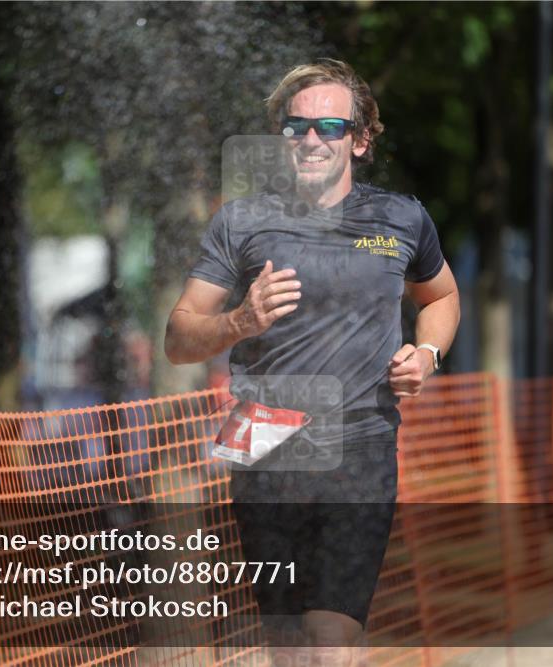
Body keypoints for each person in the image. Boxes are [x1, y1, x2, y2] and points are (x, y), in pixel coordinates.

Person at [165, 58, 460, 665]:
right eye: (296, 126)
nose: (311, 139)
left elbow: (442, 296)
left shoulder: (401, 218)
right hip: (263, 444)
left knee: (328, 638)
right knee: (288, 648)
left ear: (360, 139)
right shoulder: (242, 222)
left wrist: (428, 353)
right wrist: (240, 321)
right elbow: (179, 335)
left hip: (361, 444)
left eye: (329, 126)